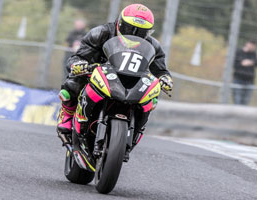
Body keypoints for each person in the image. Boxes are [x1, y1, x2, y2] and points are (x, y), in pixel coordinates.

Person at [57, 4, 173, 145]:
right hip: (97, 73)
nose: (134, 34)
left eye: (141, 31)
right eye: (130, 29)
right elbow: (78, 57)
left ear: (148, 32)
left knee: (153, 96)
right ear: (120, 23)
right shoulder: (100, 33)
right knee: (72, 84)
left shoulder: (153, 45)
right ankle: (67, 115)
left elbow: (160, 69)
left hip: (132, 80)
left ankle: (138, 128)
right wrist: (79, 65)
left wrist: (164, 79)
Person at [232, 41, 257, 105]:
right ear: (247, 44)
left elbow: (255, 62)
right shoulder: (239, 52)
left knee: (246, 102)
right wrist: (242, 63)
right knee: (237, 100)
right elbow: (234, 64)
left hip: (249, 81)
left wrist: (250, 62)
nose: (253, 47)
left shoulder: (254, 54)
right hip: (238, 79)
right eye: (252, 45)